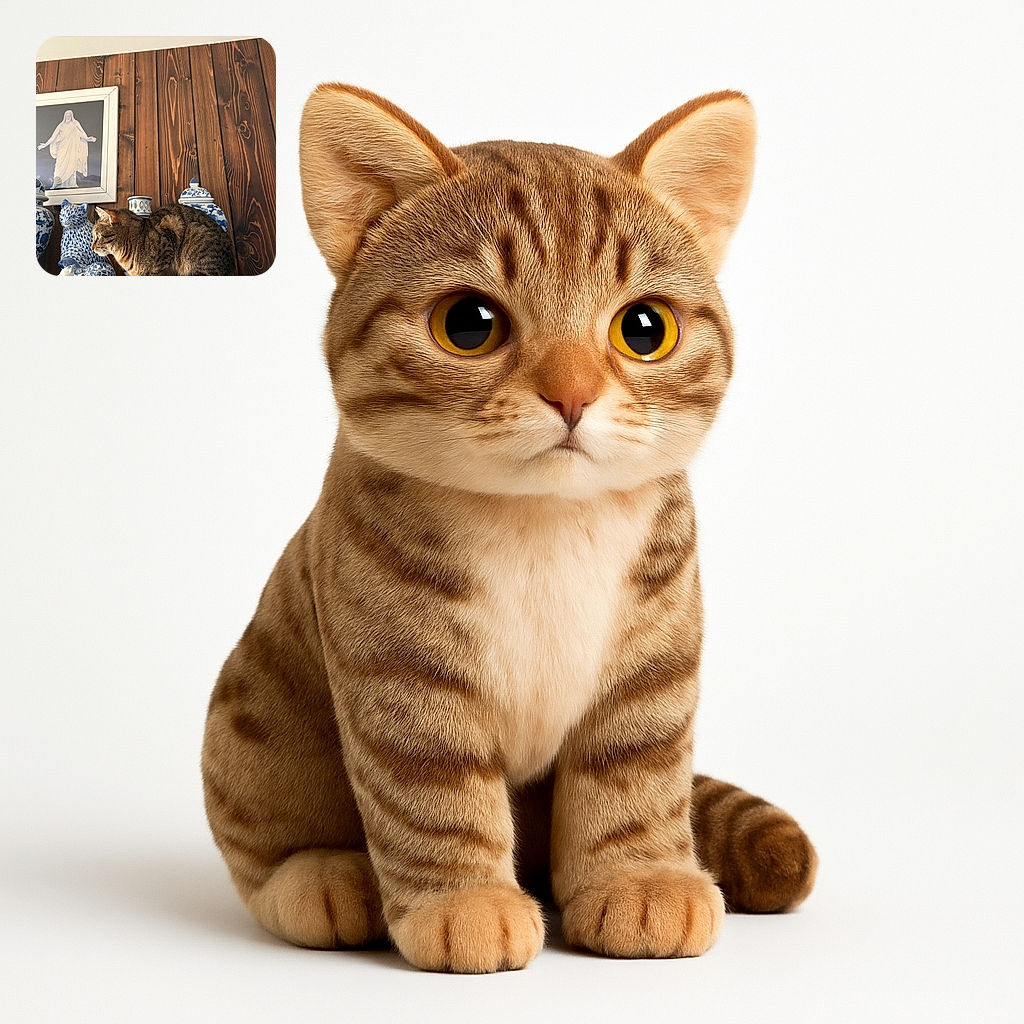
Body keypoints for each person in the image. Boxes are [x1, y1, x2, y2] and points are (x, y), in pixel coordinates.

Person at [38, 110, 96, 189]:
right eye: (67, 115)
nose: (68, 116)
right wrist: (45, 144)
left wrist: (88, 139)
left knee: (71, 165)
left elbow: (81, 133)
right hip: (62, 148)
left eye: (69, 115)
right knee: (59, 166)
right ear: (64, 116)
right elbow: (53, 137)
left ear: (72, 116)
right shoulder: (61, 125)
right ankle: (57, 183)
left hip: (72, 149)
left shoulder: (75, 124)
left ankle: (71, 184)